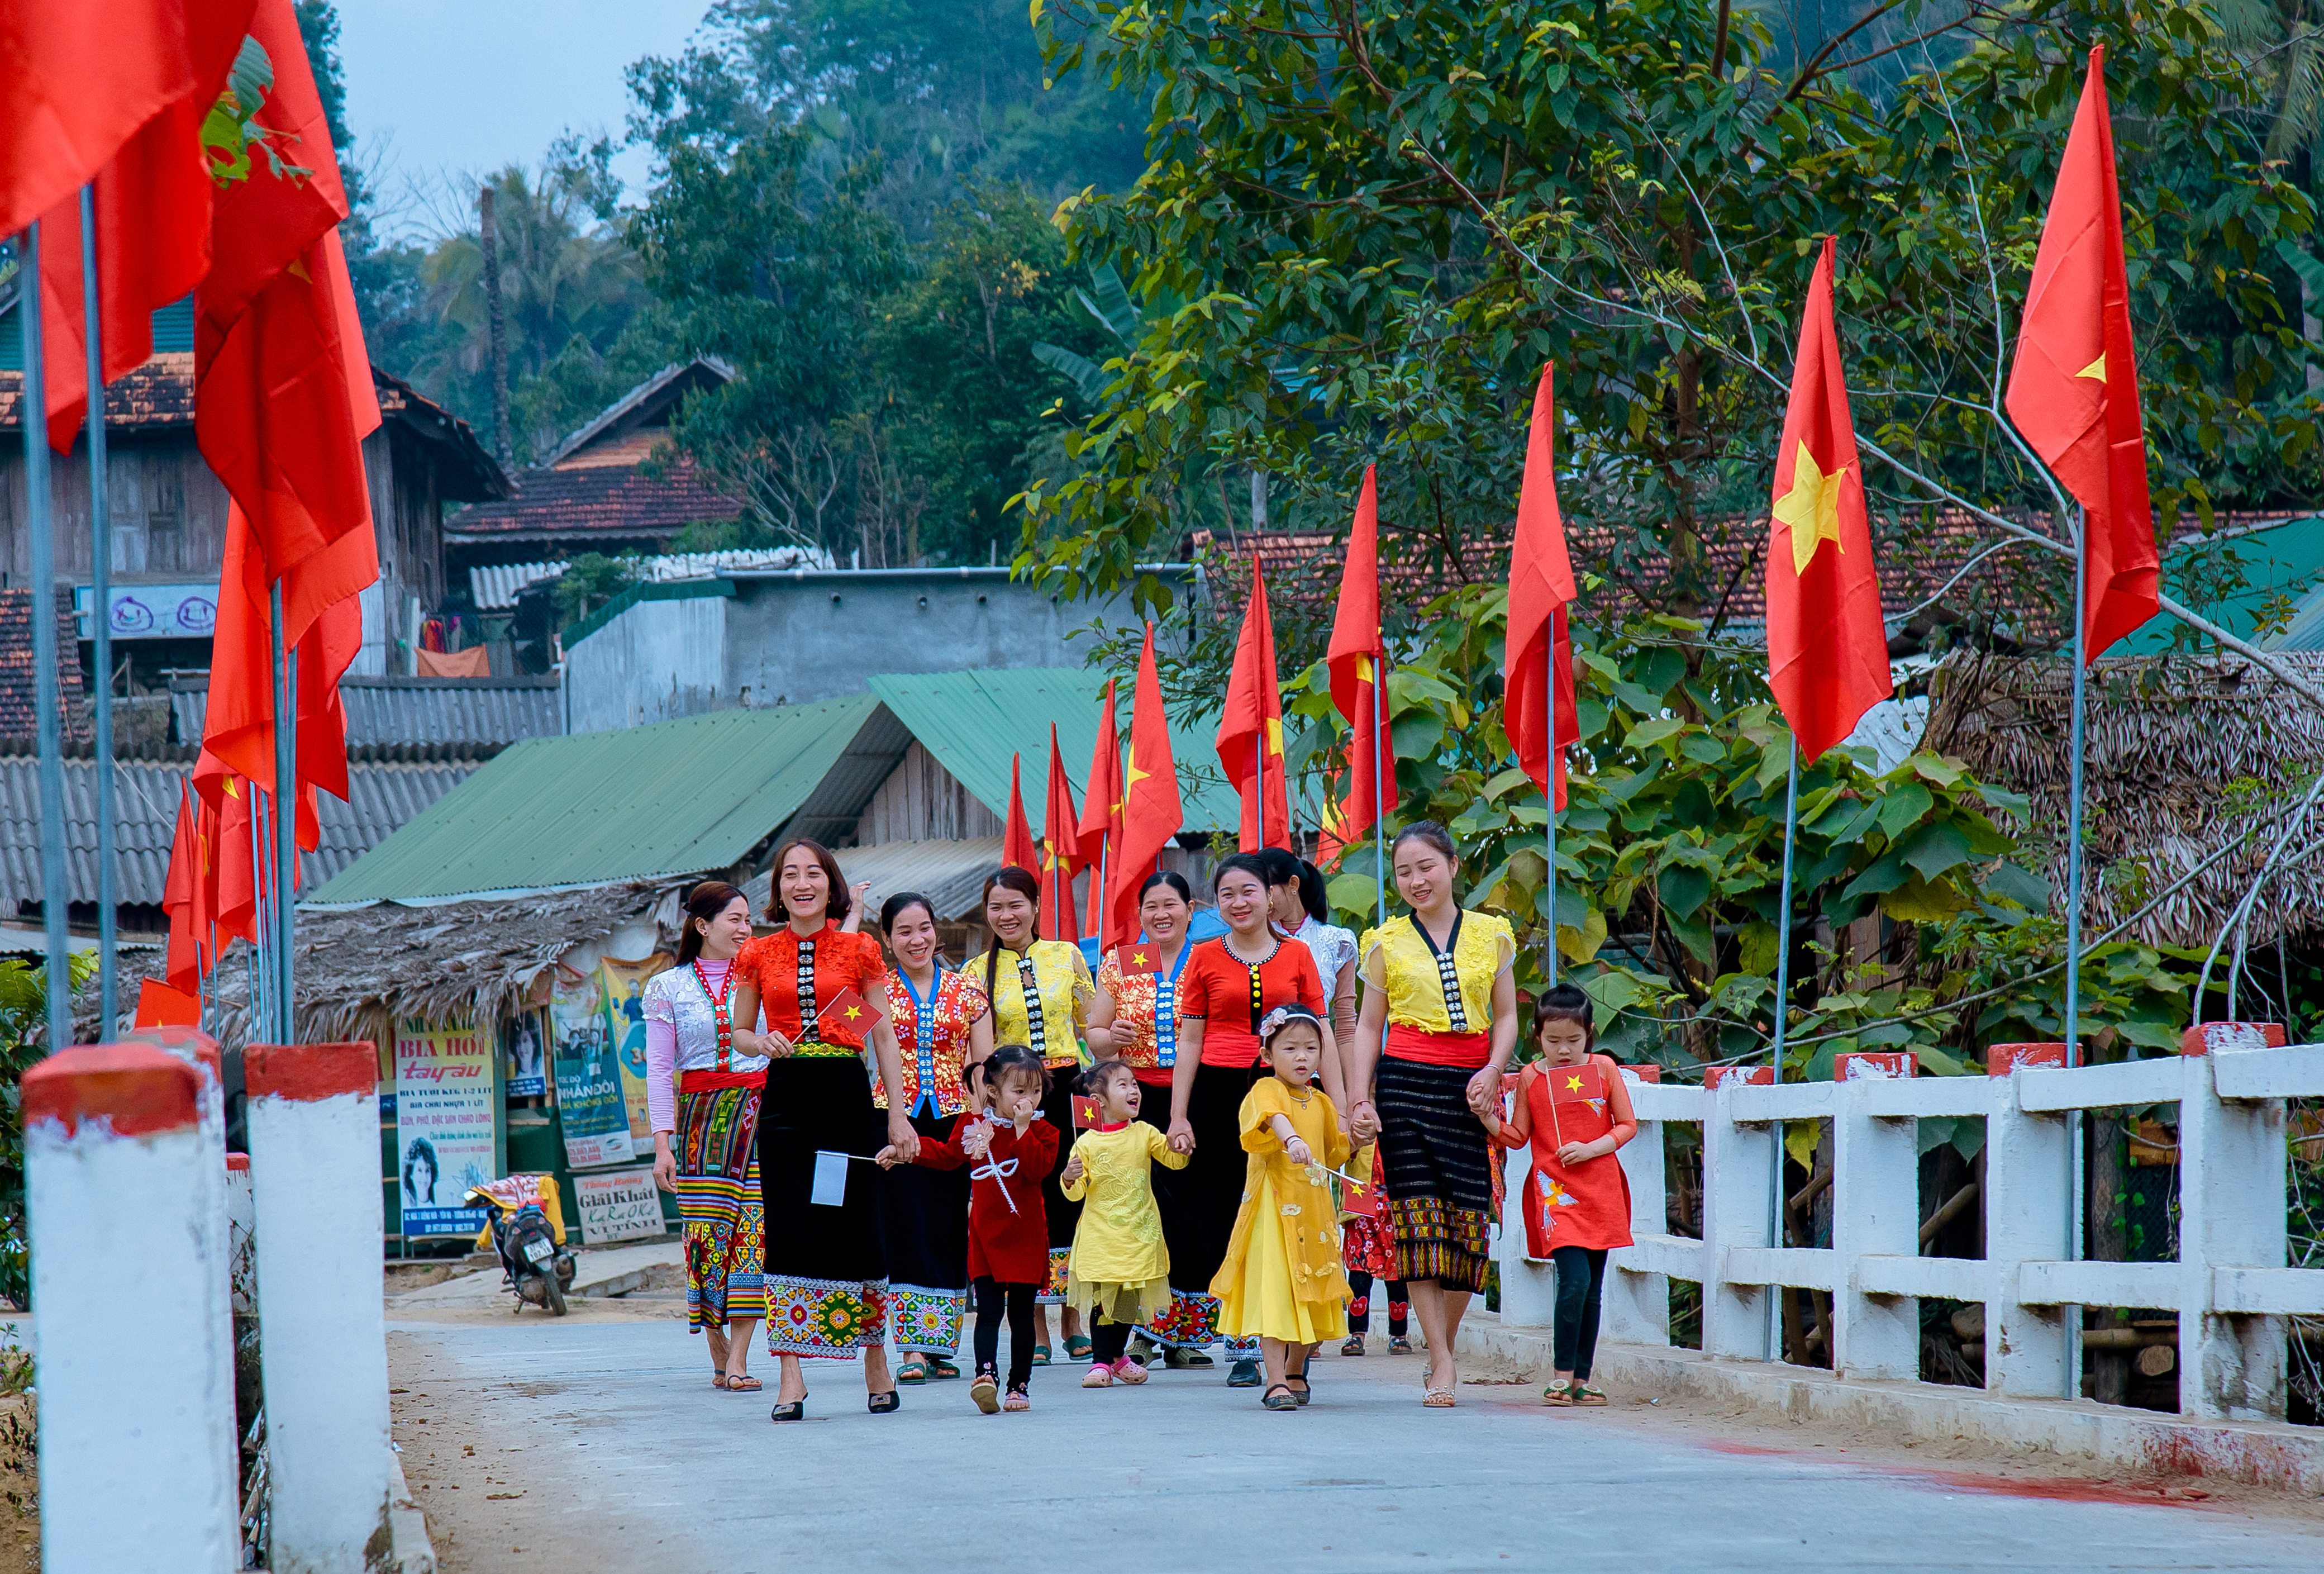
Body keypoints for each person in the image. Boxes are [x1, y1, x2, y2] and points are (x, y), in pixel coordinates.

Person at [728, 838, 917, 1421]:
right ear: (778, 888)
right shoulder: (757, 955)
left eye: (813, 873)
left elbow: (879, 1035)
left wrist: (897, 1112)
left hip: (843, 1098)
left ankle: (875, 1359)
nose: (802, 883)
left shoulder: (858, 950)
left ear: (831, 885)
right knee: (789, 1229)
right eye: (790, 874)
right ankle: (791, 1373)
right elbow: (737, 1032)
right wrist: (761, 1041)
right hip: (786, 1104)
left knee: (853, 1223)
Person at [1346, 821, 1519, 1407]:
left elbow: (1506, 1018)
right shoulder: (1384, 941)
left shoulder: (1492, 936)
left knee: (1469, 1225)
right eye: (1404, 872)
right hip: (1404, 1086)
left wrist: (1494, 1070)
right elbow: (1368, 1026)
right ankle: (1442, 1360)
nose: (1416, 880)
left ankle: (1436, 1345)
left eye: (1426, 866)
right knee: (1416, 1224)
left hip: (1470, 1090)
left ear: (1451, 864)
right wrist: (1360, 1097)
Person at [1169, 853, 1341, 1386]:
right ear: (1215, 903)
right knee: (1227, 1212)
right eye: (1227, 894)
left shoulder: (1298, 955)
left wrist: (1341, 1105)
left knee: (1289, 1211)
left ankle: (1288, 1338)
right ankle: (1243, 1342)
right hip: (1220, 1096)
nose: (1239, 902)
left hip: (1292, 1092)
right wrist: (1179, 1114)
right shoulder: (1201, 955)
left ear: (1272, 897)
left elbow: (1323, 1033)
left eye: (1249, 891)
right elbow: (1190, 1039)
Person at [966, 866, 1098, 1365]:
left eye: (1016, 904)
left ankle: (1073, 1317)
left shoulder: (1066, 956)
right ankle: (1036, 1325)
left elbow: (1092, 1026)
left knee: (1074, 1192)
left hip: (1070, 1087)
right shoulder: (976, 971)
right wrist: (985, 1106)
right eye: (996, 906)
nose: (1007, 915)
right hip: (1010, 1095)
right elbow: (975, 1050)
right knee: (1025, 1199)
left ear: (1036, 906)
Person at [1482, 985, 1638, 1406]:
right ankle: (1560, 1375)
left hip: (1602, 1189)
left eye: (1573, 1040)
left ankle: (1582, 1379)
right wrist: (1487, 1120)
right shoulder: (1531, 1077)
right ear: (1537, 1036)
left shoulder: (1605, 1069)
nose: (1564, 1050)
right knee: (1574, 1280)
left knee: (1592, 1287)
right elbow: (1518, 1136)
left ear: (1590, 1032)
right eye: (1553, 1041)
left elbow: (1627, 1124)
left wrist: (1592, 1148)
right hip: (1556, 1193)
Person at [882, 1044, 1058, 1414]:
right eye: (1019, 1091)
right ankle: (986, 1375)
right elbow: (946, 1155)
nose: (1029, 1098)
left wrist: (1024, 1130)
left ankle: (1019, 1385)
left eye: (1036, 1090)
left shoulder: (1046, 1132)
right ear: (993, 1090)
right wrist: (906, 1152)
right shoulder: (972, 1126)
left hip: (1025, 1235)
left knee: (1022, 1314)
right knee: (990, 1310)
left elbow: (1037, 1170)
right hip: (985, 1234)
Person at [645, 880, 769, 1391]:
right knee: (707, 1240)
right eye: (735, 920)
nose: (746, 929)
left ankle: (739, 1356)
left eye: (748, 920)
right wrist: (662, 1143)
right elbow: (658, 1069)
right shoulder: (666, 987)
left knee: (754, 1237)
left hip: (761, 1116)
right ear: (702, 926)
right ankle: (718, 1354)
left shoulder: (766, 977)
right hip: (699, 1123)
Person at [1087, 872, 1210, 1370]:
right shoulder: (1119, 962)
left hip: (1193, 1099)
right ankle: (1137, 1335)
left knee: (1191, 1213)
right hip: (1133, 1104)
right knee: (1137, 1214)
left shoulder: (1210, 956)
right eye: (1151, 907)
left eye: (1171, 905)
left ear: (1191, 907)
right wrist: (1110, 1034)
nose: (1161, 914)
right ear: (1139, 914)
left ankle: (1187, 1332)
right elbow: (1094, 1037)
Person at [874, 891, 994, 1383]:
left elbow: (982, 1065)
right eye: (903, 931)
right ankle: (911, 1348)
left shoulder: (969, 992)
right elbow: (842, 1046)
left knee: (948, 1227)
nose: (916, 939)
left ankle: (941, 1345)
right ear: (887, 939)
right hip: (892, 1118)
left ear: (935, 931)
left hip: (954, 1121)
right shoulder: (872, 990)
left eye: (923, 928)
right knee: (904, 1225)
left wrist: (981, 1123)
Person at [1211, 1006, 1352, 1411]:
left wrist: (1357, 1133)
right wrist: (1290, 1139)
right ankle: (1274, 1380)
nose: (1302, 1056)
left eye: (1311, 1047)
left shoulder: (1323, 1101)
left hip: (1315, 1215)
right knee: (1277, 1296)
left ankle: (1294, 1368)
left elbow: (1335, 1151)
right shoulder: (1266, 1090)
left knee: (1315, 1293)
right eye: (1290, 1047)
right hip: (1274, 1210)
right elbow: (1272, 1119)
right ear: (1268, 1054)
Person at [1060, 1059, 1188, 1388]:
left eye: (1135, 1084)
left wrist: (1182, 1146)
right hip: (1101, 1236)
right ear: (1099, 1101)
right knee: (1106, 1299)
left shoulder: (1144, 1133)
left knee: (1129, 1301)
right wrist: (1069, 1177)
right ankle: (1101, 1361)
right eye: (1123, 1084)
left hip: (1139, 1235)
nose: (1134, 1090)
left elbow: (1172, 1161)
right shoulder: (1086, 1143)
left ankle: (1117, 1357)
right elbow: (1075, 1194)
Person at [1258, 849, 1359, 1051]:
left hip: (1318, 1065)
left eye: (1268, 890)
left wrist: (1351, 1083)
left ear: (1293, 884)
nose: (1262, 900)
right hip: (1260, 1065)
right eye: (1256, 892)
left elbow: (1346, 1025)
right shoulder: (1253, 942)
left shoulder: (1338, 942)